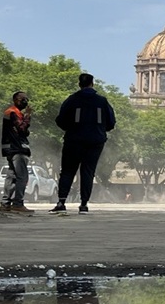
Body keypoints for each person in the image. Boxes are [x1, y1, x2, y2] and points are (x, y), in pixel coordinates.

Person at [49, 73, 116, 215]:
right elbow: (111, 122)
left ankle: (61, 201)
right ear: (92, 84)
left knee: (67, 171)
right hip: (95, 141)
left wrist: (72, 129)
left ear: (79, 84)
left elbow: (60, 120)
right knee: (88, 171)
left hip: (74, 140)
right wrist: (99, 130)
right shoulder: (102, 101)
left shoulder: (72, 100)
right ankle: (84, 204)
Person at [0, 91, 35, 215]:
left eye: (26, 99)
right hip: (17, 149)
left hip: (11, 149)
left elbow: (22, 131)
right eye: (22, 99)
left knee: (12, 176)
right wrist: (28, 116)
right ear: (15, 100)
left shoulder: (13, 112)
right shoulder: (13, 112)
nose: (25, 102)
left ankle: (5, 203)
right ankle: (18, 203)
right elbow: (22, 129)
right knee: (22, 176)